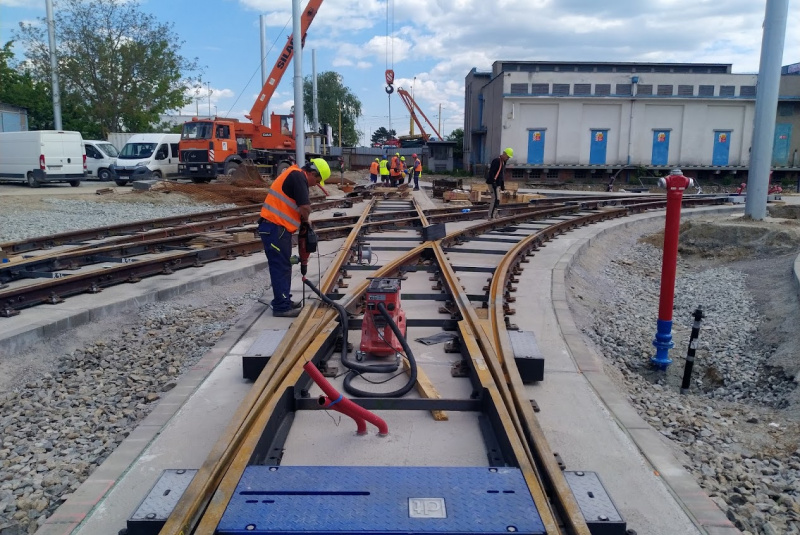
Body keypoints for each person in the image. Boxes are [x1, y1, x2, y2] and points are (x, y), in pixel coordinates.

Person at [258, 158, 331, 317]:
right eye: (316, 181)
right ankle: (281, 307)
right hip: (275, 228)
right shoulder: (298, 177)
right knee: (281, 267)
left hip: (275, 228)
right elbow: (304, 207)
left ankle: (282, 300)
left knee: (283, 265)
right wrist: (306, 221)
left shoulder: (294, 174)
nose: (314, 185)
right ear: (312, 173)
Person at [486, 147, 512, 220]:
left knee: (497, 200)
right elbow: (491, 172)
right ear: (504, 154)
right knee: (495, 199)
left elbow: (501, 174)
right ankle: (490, 216)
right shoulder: (497, 161)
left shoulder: (503, 162)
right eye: (507, 157)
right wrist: (493, 182)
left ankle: (495, 214)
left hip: (497, 183)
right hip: (493, 183)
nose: (508, 158)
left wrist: (502, 184)